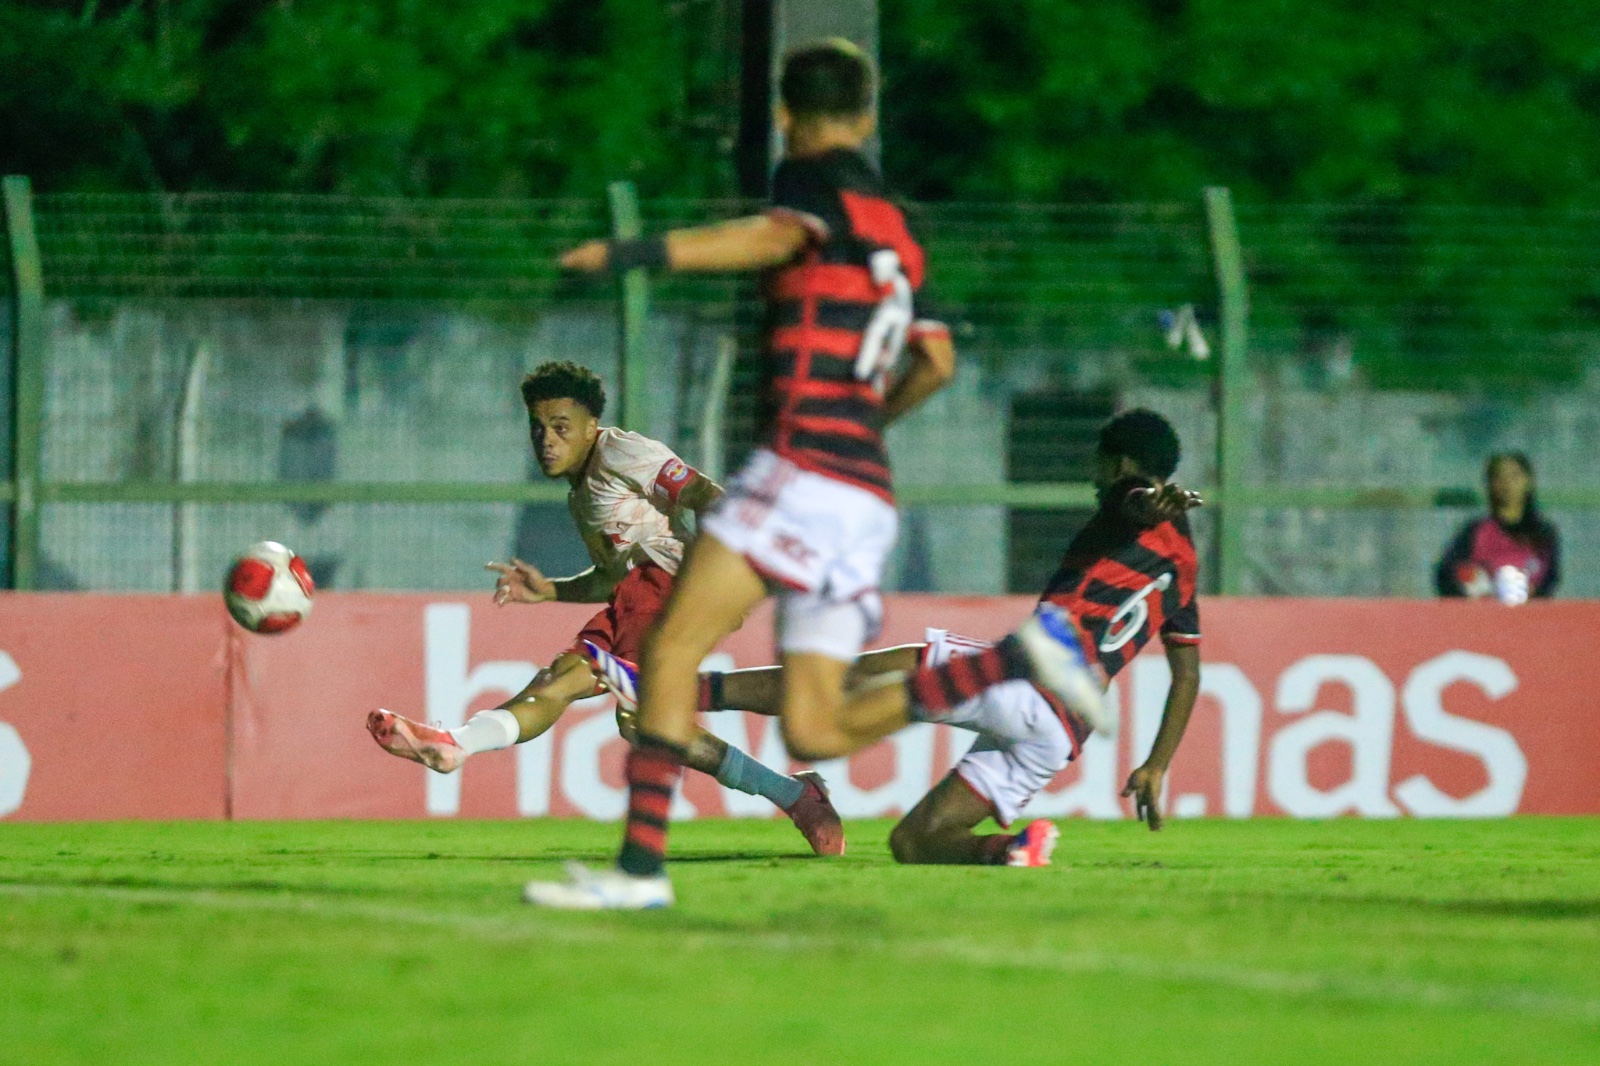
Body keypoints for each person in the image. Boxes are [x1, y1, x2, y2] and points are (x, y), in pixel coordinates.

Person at [527, 39, 1099, 910]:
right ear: (869, 116)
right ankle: (1015, 657)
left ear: (785, 117)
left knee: (671, 651)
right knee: (814, 725)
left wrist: (636, 254)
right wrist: (866, 424)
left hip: (796, 467)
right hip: (863, 492)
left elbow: (775, 235)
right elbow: (937, 361)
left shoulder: (812, 180)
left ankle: (638, 876)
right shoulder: (903, 226)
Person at [589, 409, 1203, 868]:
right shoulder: (1187, 566)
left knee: (843, 677)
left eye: (1103, 464)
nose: (1098, 477)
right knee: (913, 843)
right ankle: (1014, 849)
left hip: (1033, 674)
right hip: (1063, 733)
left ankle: (677, 690)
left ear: (1119, 463)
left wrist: (1147, 500)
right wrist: (1156, 765)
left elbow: (1133, 502)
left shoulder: (1126, 502)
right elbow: (1188, 673)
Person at [365, 361, 843, 855]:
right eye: (538, 427)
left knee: (635, 714)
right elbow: (612, 579)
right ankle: (456, 744)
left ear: (591, 426)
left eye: (560, 427)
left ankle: (794, 796)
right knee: (564, 682)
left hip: (673, 587)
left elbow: (702, 493)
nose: (546, 439)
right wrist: (550, 590)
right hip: (635, 595)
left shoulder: (621, 451)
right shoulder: (581, 494)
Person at [1436, 452, 1560, 604]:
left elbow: (1549, 582)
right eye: (1499, 477)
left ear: (1529, 481)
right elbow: (1446, 576)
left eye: (1514, 476)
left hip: (1528, 620)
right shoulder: (1475, 531)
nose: (1507, 484)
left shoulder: (1544, 534)